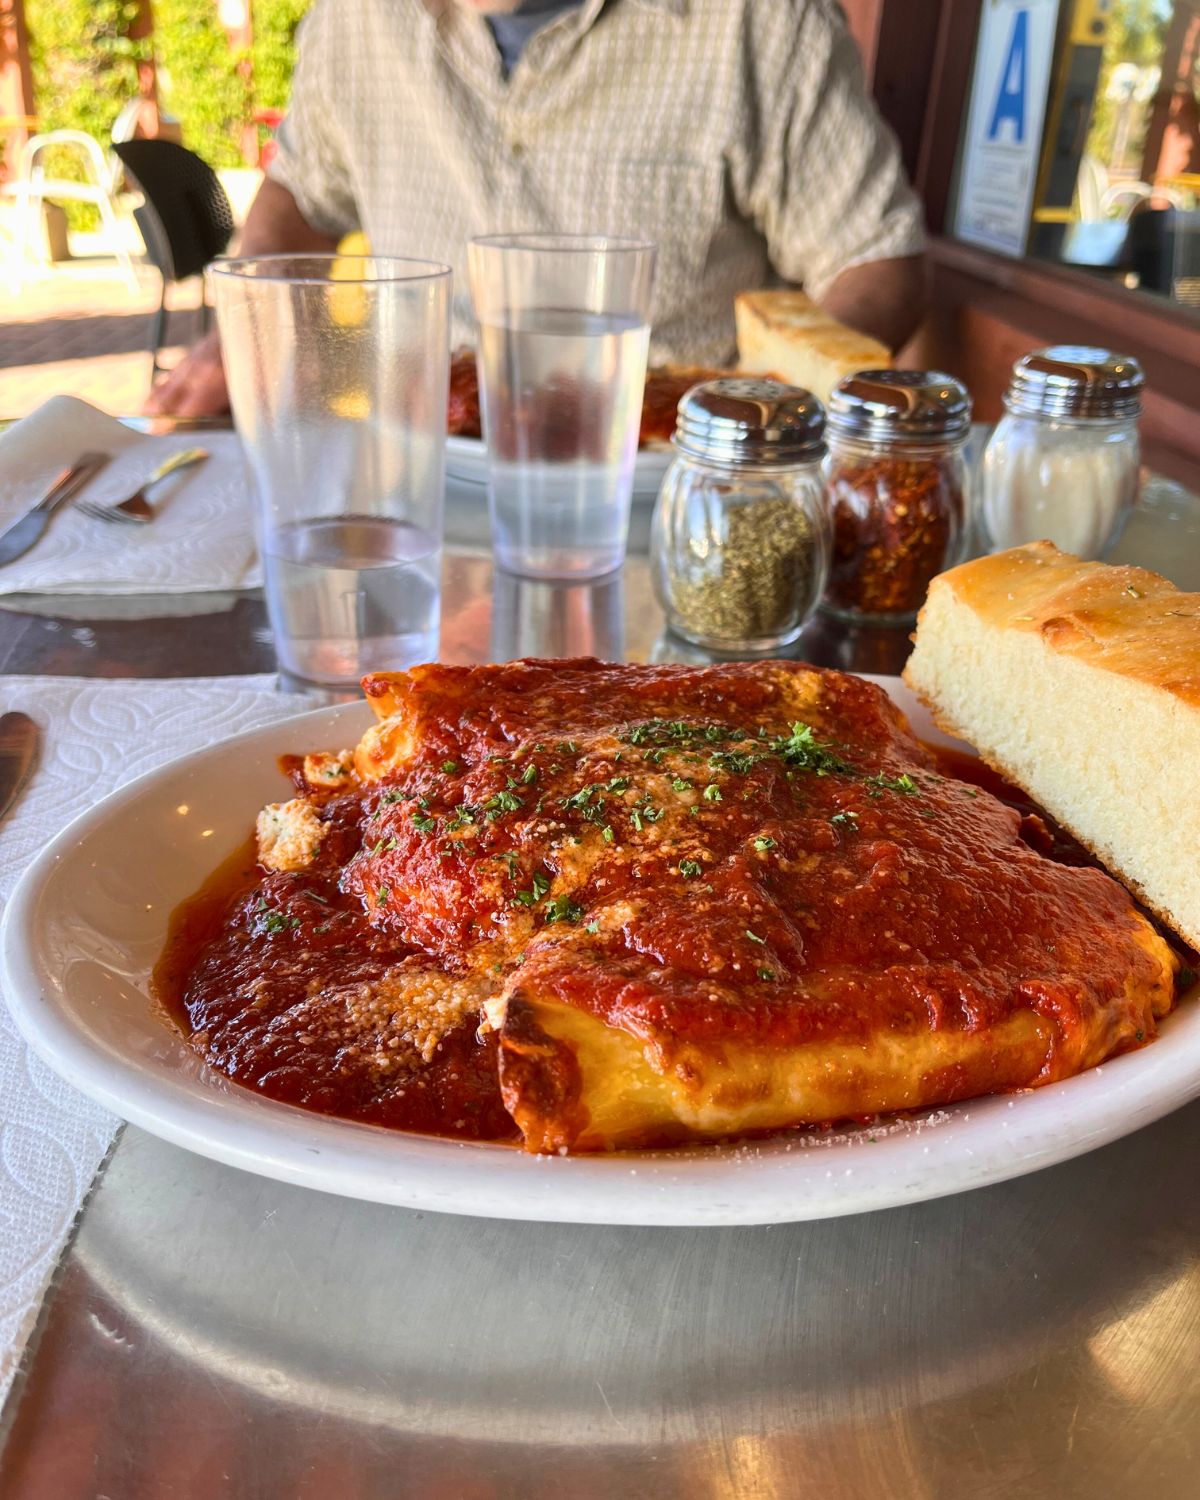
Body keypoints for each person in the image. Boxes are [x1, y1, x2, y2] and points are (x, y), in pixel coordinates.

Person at [148, 0, 928, 418]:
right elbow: (300, 195)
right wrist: (244, 338)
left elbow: (873, 257)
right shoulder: (353, 17)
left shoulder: (765, 21)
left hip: (666, 481)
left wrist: (759, 422)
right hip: (429, 458)